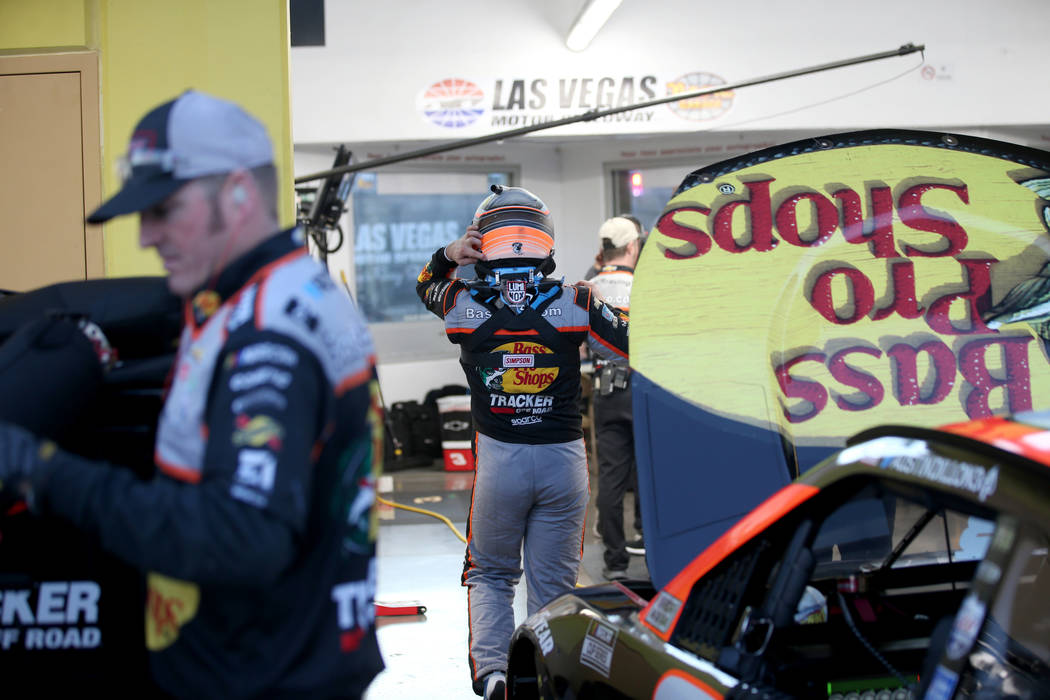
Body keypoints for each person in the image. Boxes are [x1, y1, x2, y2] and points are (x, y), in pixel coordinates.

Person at [0, 90, 383, 698]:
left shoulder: (266, 335)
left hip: (262, 675)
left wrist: (43, 473)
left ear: (236, 193)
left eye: (164, 209)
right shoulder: (284, 293)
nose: (147, 236)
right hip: (286, 655)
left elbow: (242, 539)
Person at [415, 185, 630, 700]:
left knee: (489, 574)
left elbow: (425, 284)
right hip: (563, 464)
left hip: (499, 464)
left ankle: (493, 679)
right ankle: (550, 681)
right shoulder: (577, 300)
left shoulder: (460, 305)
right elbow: (629, 343)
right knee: (554, 589)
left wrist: (450, 255)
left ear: (481, 240)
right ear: (545, 239)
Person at [589, 217, 645, 581]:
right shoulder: (645, 286)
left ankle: (615, 562)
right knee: (652, 472)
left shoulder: (588, 287)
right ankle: (653, 545)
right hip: (643, 388)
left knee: (609, 478)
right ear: (632, 248)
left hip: (604, 389)